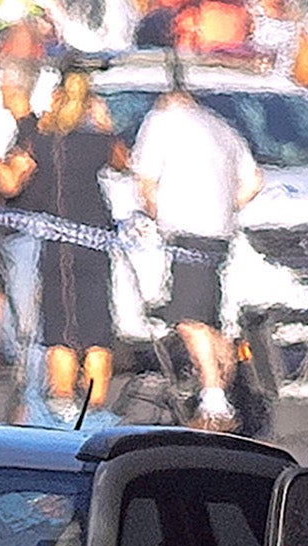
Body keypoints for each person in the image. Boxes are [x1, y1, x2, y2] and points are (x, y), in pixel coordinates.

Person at [130, 68, 260, 430]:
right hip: (219, 232)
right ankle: (224, 385)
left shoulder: (161, 122)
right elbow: (254, 181)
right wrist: (226, 206)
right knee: (206, 317)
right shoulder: (222, 127)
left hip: (187, 231)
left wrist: (158, 217)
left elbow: (145, 180)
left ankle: (215, 398)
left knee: (190, 321)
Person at [14, 70, 124, 423]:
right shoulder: (97, 143)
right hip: (93, 238)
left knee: (60, 326)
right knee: (95, 325)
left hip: (57, 241)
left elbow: (21, 177)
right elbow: (123, 160)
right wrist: (106, 126)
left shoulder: (44, 142)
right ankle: (95, 403)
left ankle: (61, 399)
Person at [0, 23, 59, 373]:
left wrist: (0, 170)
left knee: (27, 285)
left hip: (29, 202)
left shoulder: (49, 84)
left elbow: (32, 158)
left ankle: (26, 360)